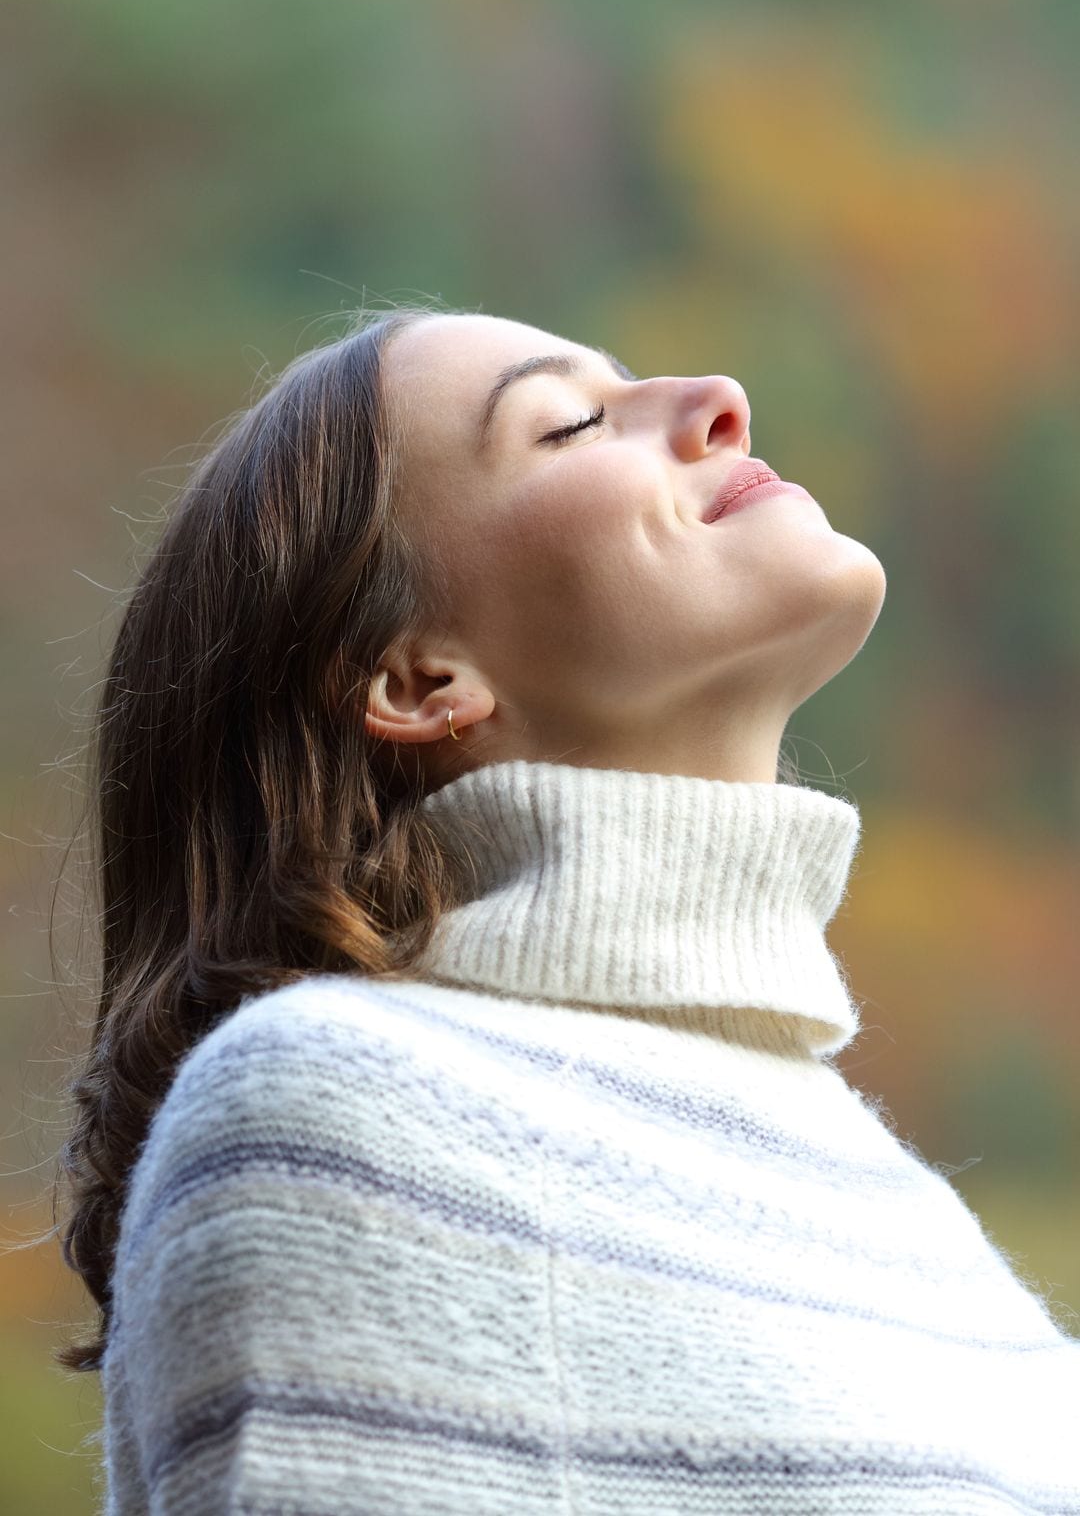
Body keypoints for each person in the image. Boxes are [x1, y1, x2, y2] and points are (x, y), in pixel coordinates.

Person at [56, 307, 1080, 1513]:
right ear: (419, 680)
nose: (719, 397)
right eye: (575, 422)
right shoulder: (339, 1109)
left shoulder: (930, 1243)